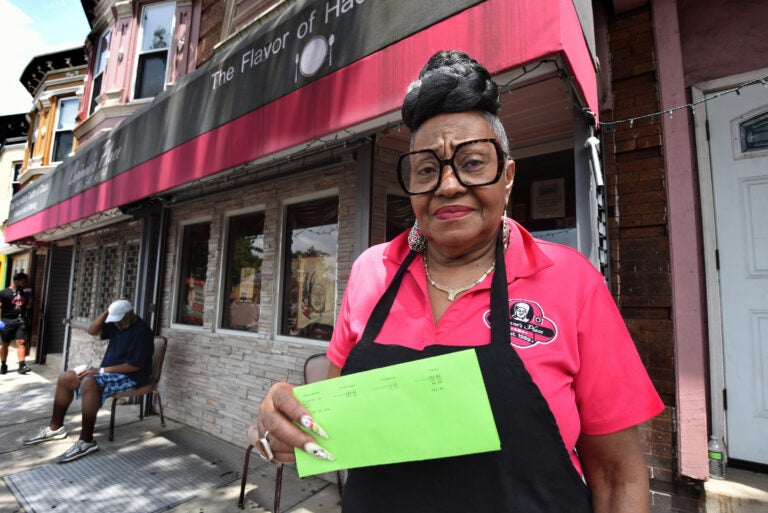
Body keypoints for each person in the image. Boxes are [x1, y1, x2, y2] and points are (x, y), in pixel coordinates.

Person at [254, 51, 664, 512]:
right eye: (427, 169)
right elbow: (330, 424)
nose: (447, 185)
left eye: (472, 163)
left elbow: (616, 476)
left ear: (507, 178)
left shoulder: (572, 283)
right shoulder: (371, 272)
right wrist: (284, 422)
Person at [23, 299, 154, 463]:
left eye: (119, 318)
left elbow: (134, 366)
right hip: (109, 372)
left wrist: (100, 370)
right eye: (115, 319)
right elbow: (92, 331)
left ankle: (86, 441)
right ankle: (55, 428)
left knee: (89, 381)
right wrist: (109, 311)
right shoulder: (118, 324)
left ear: (130, 314)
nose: (117, 322)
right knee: (66, 377)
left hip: (133, 377)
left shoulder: (142, 331)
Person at [0, 272, 33, 375]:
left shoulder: (25, 293)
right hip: (7, 321)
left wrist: (30, 297)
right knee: (5, 344)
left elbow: (28, 307)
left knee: (21, 342)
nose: (25, 283)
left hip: (20, 320)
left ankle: (22, 366)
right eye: (23, 281)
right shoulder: (4, 292)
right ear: (17, 281)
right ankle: (3, 365)